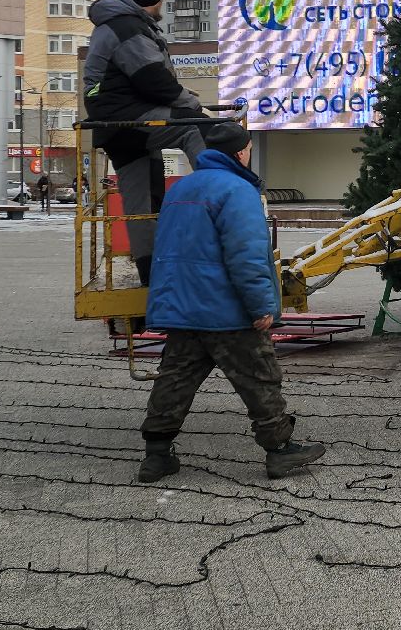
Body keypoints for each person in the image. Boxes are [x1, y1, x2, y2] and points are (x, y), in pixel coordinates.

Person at [136, 121, 325, 482]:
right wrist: (261, 307)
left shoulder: (182, 188)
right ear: (241, 152)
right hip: (227, 312)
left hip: (185, 309)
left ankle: (156, 456)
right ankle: (280, 451)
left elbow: (166, 248)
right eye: (249, 148)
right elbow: (248, 255)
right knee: (260, 379)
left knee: (174, 381)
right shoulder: (237, 190)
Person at [83, 0, 206, 288]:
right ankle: (218, 194)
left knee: (142, 205)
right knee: (194, 128)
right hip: (129, 119)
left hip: (116, 125)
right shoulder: (129, 28)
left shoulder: (117, 24)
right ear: (157, 0)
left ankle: (151, 276)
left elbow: (145, 81)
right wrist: (192, 104)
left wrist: (181, 100)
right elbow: (154, 80)